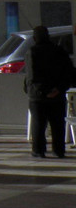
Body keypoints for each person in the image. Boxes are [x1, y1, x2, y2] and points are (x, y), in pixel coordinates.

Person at [27, 26, 74, 158]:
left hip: (37, 96)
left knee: (38, 124)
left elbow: (32, 75)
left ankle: (38, 150)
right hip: (57, 95)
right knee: (58, 124)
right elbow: (68, 72)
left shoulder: (33, 51)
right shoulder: (59, 51)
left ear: (35, 37)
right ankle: (58, 150)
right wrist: (58, 89)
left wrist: (42, 91)